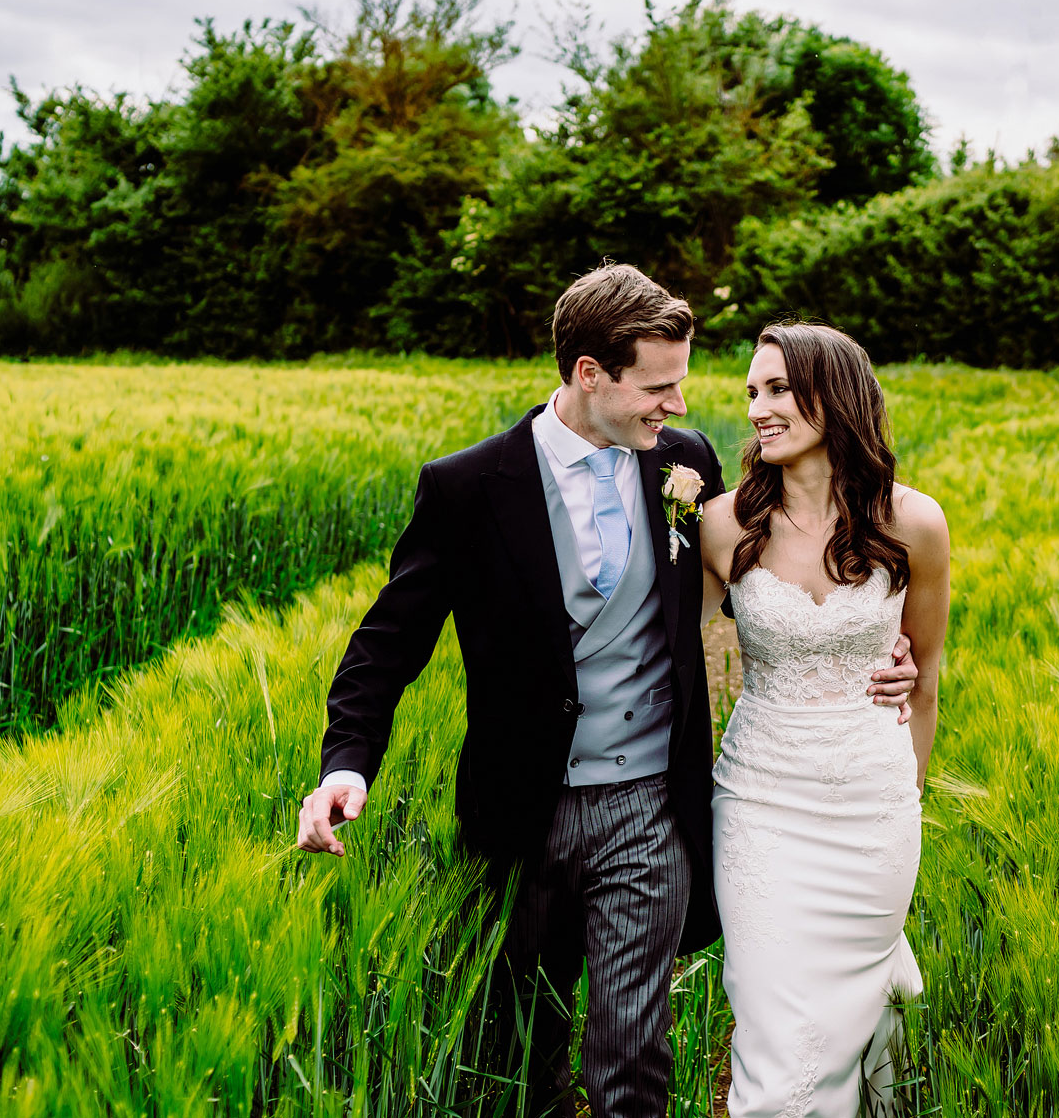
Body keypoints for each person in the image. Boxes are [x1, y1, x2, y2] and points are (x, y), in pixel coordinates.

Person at [295, 266, 919, 1118]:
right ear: (590, 373)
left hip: (647, 805)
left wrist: (876, 653)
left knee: (631, 1055)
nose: (677, 405)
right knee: (519, 1051)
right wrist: (346, 766)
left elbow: (780, 597)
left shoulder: (684, 463)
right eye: (658, 387)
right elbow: (386, 642)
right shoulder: (468, 487)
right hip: (523, 809)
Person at [699, 321, 951, 1116]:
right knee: (776, 1044)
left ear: (832, 395)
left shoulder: (915, 523)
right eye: (751, 392)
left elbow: (926, 679)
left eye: (776, 389)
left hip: (872, 813)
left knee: (846, 1021)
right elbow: (660, 655)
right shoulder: (721, 522)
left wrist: (903, 801)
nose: (758, 409)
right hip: (761, 803)